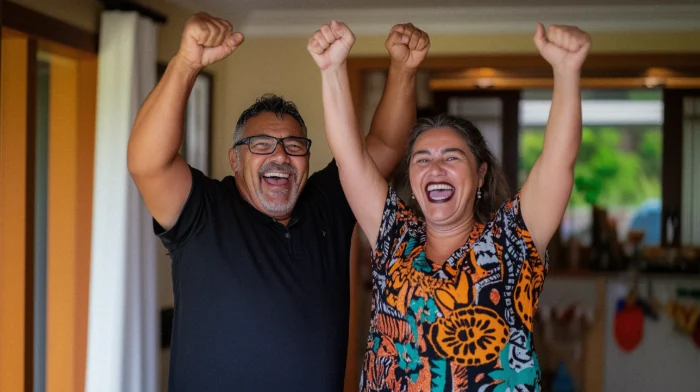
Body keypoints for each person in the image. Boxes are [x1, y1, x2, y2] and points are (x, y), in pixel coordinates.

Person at [127, 11, 430, 392]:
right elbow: (147, 163)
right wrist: (186, 63)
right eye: (261, 145)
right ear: (235, 159)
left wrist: (403, 70)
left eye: (294, 145)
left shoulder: (327, 203)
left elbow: (385, 145)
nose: (281, 156)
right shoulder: (203, 210)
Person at [308, 20, 590, 391]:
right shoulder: (394, 236)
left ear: (480, 175)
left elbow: (557, 162)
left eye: (451, 157)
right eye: (421, 159)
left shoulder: (512, 242)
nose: (435, 167)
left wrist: (567, 72)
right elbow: (350, 159)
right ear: (411, 178)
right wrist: (332, 69)